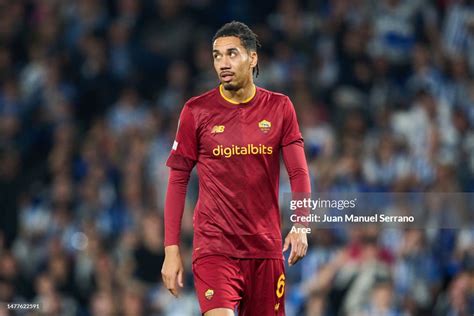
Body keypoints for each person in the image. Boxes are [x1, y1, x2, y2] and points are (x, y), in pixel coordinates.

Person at [161, 21, 311, 316]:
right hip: (214, 248)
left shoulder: (280, 108)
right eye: (217, 56)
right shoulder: (196, 111)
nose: (222, 63)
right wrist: (171, 249)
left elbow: (299, 173)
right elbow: (178, 181)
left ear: (252, 58)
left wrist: (301, 224)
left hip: (266, 249)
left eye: (231, 54)